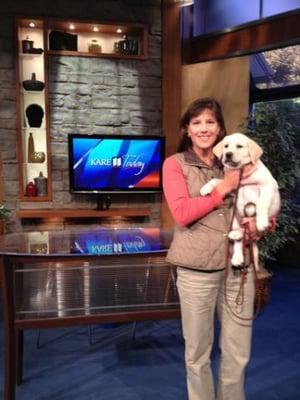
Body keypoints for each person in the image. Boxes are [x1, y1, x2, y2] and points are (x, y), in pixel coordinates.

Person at [163, 97, 257, 400]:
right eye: (197, 122)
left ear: (219, 129)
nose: (204, 128)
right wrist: (225, 187)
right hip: (196, 271)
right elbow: (182, 213)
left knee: (238, 351)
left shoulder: (235, 159)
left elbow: (253, 203)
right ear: (187, 130)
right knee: (198, 353)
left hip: (238, 269)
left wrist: (261, 221)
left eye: (210, 122)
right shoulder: (175, 164)